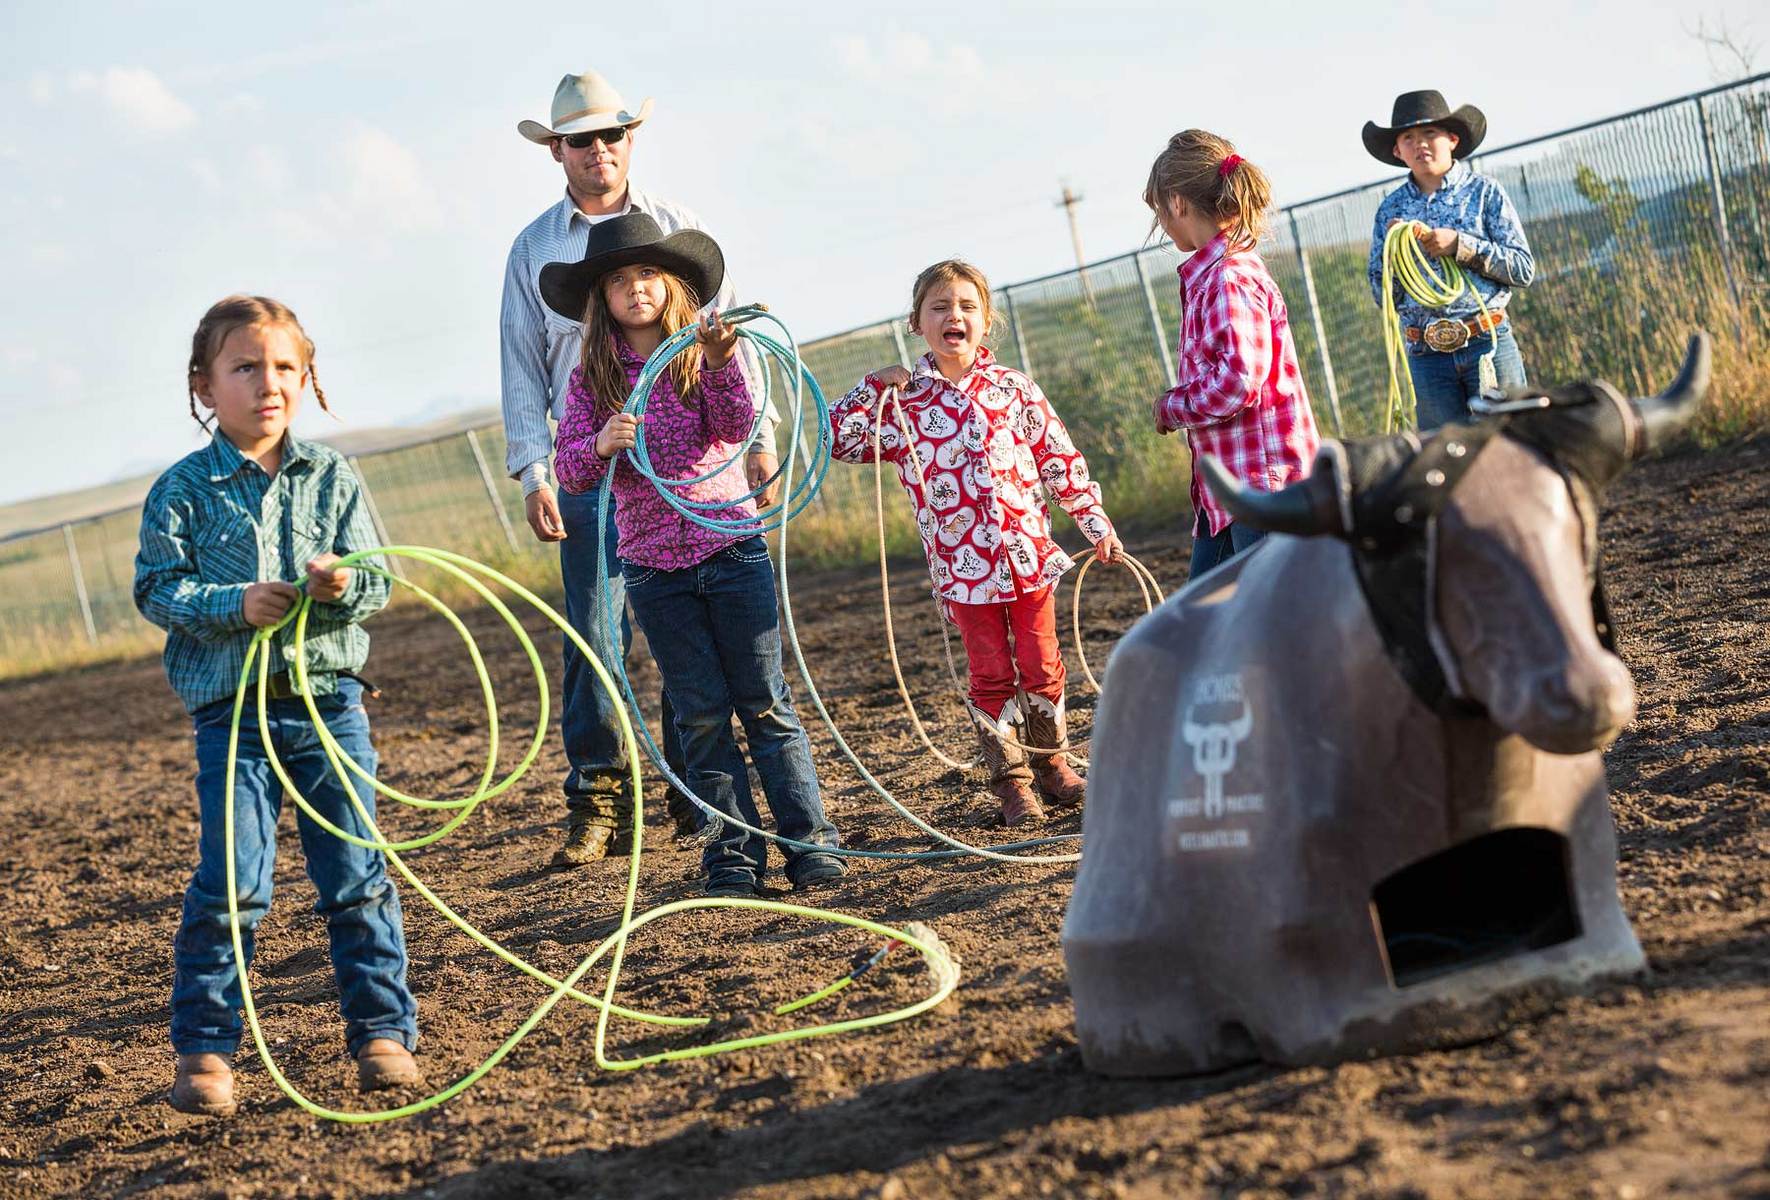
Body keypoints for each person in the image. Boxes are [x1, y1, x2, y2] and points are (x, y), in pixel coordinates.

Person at [134, 296, 420, 1118]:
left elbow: (377, 581)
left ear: (308, 378)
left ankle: (381, 1035)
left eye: (286, 367)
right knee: (233, 882)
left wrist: (335, 587)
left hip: (328, 702)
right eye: (246, 367)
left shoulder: (332, 475)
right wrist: (234, 602)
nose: (269, 383)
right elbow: (157, 588)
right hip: (232, 713)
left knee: (356, 870)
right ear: (204, 386)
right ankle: (206, 1052)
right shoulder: (181, 489)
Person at [500, 70, 782, 866]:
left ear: (630, 141)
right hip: (594, 462)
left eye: (611, 135)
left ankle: (691, 788)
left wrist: (759, 430)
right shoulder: (534, 250)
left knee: (680, 617)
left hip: (690, 466)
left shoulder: (676, 227)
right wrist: (534, 471)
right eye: (581, 139)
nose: (598, 150)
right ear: (557, 151)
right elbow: (522, 365)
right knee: (595, 631)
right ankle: (599, 797)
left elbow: (725, 337)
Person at [547, 213, 845, 898]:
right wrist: (600, 445)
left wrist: (715, 365)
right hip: (654, 566)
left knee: (765, 703)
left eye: (646, 273)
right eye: (618, 280)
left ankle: (810, 844)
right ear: (602, 298)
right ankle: (732, 859)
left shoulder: (702, 351)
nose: (634, 288)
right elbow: (571, 470)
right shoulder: (592, 381)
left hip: (731, 548)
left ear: (670, 283)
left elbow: (736, 426)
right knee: (701, 715)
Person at [831, 260, 1123, 827]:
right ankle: (1011, 781)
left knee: (1042, 662)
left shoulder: (1015, 390)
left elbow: (1058, 459)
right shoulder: (902, 405)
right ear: (917, 323)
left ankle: (1052, 762)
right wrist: (872, 388)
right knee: (989, 672)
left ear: (987, 321)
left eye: (967, 306)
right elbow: (840, 442)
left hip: (1028, 557)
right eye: (939, 307)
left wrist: (1094, 521)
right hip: (964, 571)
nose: (953, 316)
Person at [1142, 130, 1321, 580]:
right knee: (1204, 620)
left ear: (1178, 203)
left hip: (1261, 490)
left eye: (1160, 211)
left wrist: (1173, 405)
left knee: (1267, 623)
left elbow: (1239, 381)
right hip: (1228, 494)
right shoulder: (1211, 278)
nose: (1162, 223)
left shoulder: (1229, 278)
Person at [1364, 90, 1536, 430]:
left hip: (1487, 341)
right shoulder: (1390, 211)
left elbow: (1522, 267)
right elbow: (1383, 294)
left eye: (1430, 133)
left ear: (1452, 139)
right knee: (1442, 462)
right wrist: (1399, 256)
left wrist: (1461, 245)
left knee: (1512, 445)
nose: (1420, 144)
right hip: (1426, 355)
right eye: (1409, 138)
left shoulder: (1484, 192)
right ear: (1398, 151)